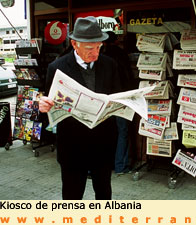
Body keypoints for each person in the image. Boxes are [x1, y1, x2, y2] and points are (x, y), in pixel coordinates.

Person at [39, 16, 122, 200]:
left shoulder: (110, 64)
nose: (96, 53)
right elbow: (49, 103)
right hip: (72, 145)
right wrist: (44, 106)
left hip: (103, 143)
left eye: (99, 47)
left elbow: (117, 94)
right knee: (72, 196)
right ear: (75, 44)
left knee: (104, 194)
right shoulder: (57, 67)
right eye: (90, 48)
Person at [101, 31, 134, 175]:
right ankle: (121, 166)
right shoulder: (121, 55)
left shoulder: (99, 56)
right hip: (121, 98)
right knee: (123, 132)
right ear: (115, 41)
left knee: (102, 132)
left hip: (104, 100)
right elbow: (128, 77)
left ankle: (102, 165)